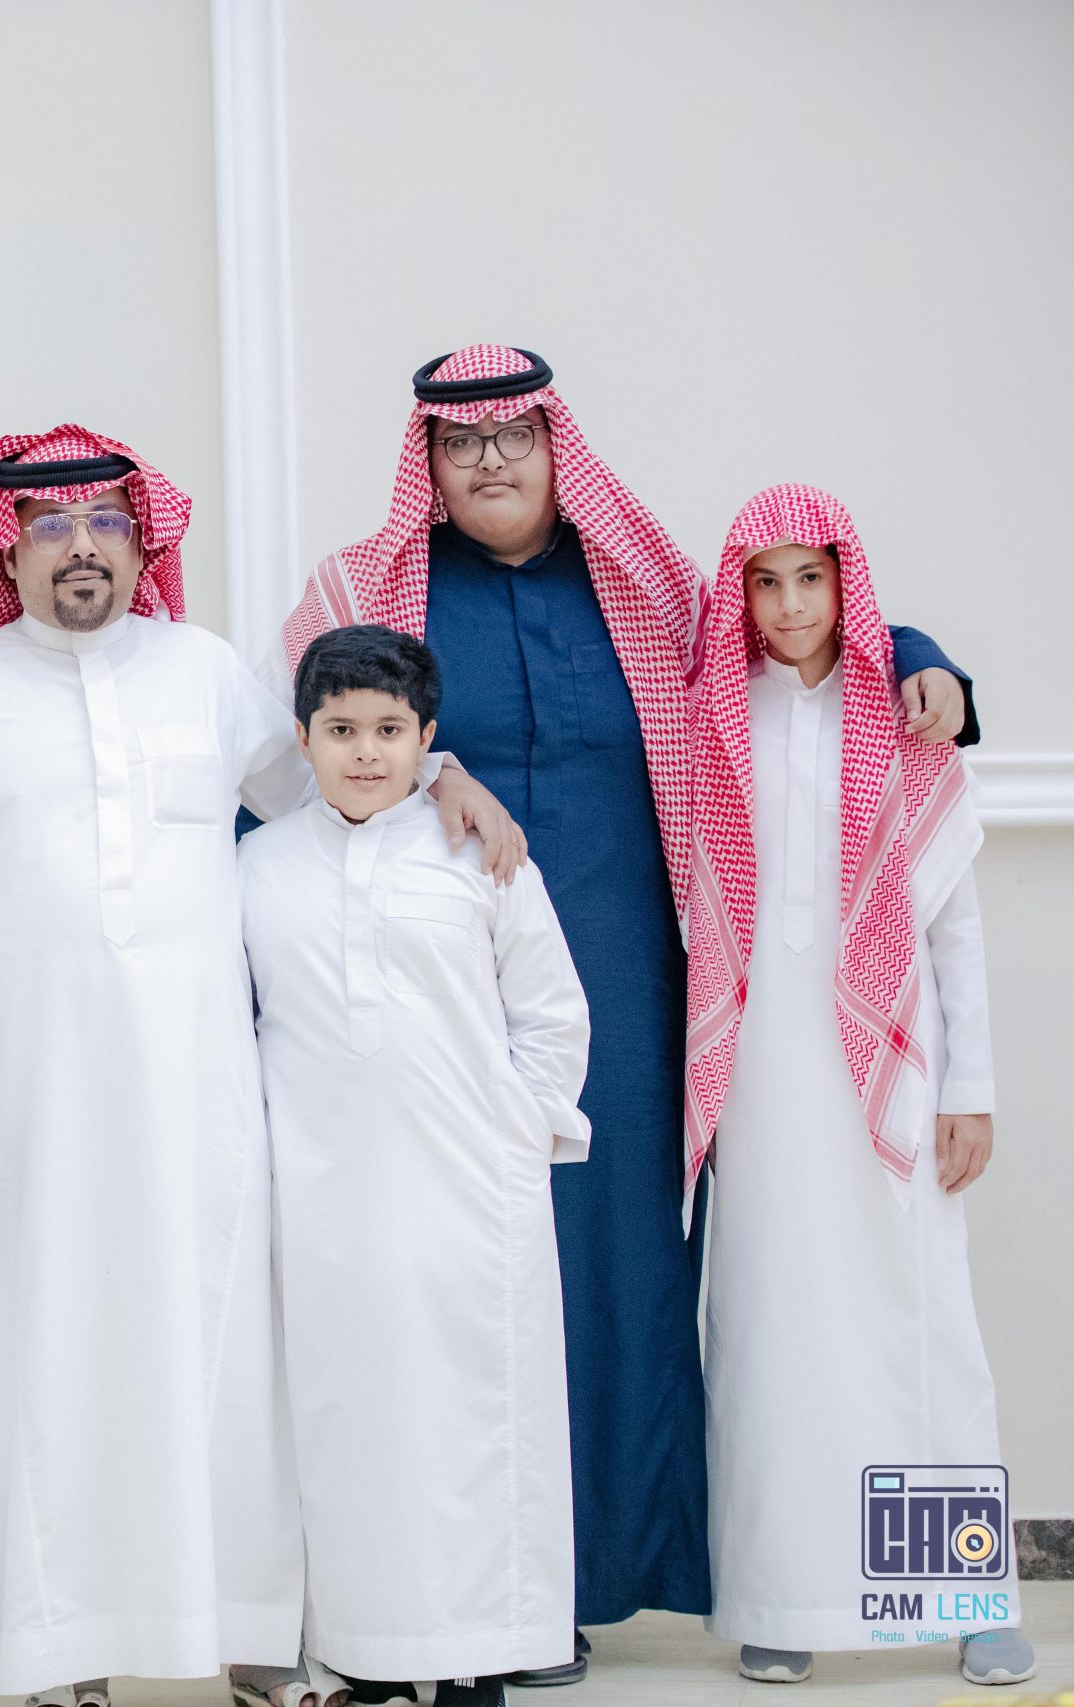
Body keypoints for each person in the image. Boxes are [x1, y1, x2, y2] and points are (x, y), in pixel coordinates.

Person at [273, 346, 976, 1675]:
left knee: (621, 1274)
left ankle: (615, 1579)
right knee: (466, 1281)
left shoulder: (644, 581)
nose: (490, 459)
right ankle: (488, 1597)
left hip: (649, 995)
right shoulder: (364, 591)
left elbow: (786, 634)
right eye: (460, 440)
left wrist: (925, 656)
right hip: (433, 1000)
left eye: (515, 434)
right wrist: (443, 764)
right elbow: (300, 740)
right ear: (428, 459)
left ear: (558, 445)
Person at [0, 424, 504, 1707]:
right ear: (3, 550)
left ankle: (247, 1638)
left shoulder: (205, 673)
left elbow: (333, 783)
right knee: (38, 1349)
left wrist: (448, 775)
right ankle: (55, 1653)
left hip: (197, 1086)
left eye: (106, 523)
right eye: (50, 524)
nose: (81, 547)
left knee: (224, 1345)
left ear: (145, 544)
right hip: (19, 1095)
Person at [683, 486, 1029, 1689]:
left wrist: (969, 1086)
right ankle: (782, 1595)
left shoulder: (904, 718)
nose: (788, 605)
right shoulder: (708, 716)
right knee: (770, 1326)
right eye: (764, 581)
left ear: (846, 583)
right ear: (740, 592)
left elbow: (952, 924)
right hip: (761, 1076)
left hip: (894, 1063)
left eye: (810, 578)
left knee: (915, 1323)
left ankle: (963, 1599)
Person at [240, 624, 591, 1707]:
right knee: (347, 1420)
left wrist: (516, 1136)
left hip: (469, 1191)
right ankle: (365, 1648)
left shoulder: (480, 854)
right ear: (302, 737)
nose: (364, 752)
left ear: (427, 738)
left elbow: (551, 1011)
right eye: (340, 729)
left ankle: (477, 1654)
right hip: (320, 1194)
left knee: (474, 1420)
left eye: (389, 730)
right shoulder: (257, 867)